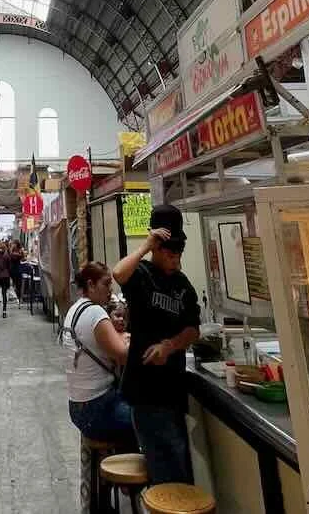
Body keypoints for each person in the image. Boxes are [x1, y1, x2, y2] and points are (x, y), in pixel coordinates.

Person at [113, 204, 200, 485]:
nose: (175, 258)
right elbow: (118, 273)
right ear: (157, 249)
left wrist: (170, 345)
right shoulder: (142, 275)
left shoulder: (183, 285)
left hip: (172, 387)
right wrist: (145, 245)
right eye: (169, 252)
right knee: (166, 463)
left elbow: (192, 329)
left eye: (178, 253)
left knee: (177, 459)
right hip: (145, 389)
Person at [64, 262, 134, 444]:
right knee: (150, 421)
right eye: (106, 284)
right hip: (97, 408)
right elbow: (123, 355)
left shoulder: (74, 309)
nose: (110, 290)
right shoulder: (95, 313)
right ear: (90, 285)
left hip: (78, 407)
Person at [0, 236, 13, 316]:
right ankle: (4, 312)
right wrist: (10, 276)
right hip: (5, 277)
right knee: (4, 294)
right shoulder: (7, 256)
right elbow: (9, 267)